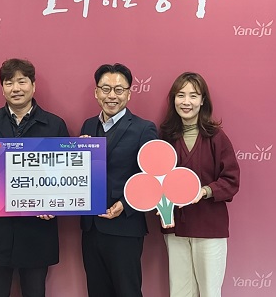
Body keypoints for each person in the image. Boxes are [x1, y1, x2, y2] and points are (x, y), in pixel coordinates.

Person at [0, 58, 69, 297]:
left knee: (35, 291)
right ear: (2, 88)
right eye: (9, 83)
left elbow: (66, 175)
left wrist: (54, 204)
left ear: (33, 86)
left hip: (37, 228)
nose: (16, 88)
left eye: (22, 82)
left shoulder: (54, 125)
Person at [79, 63, 158, 297]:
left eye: (119, 89)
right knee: (96, 291)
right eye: (105, 89)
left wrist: (125, 204)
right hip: (91, 228)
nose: (111, 95)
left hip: (125, 227)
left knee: (127, 292)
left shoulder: (144, 129)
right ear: (96, 92)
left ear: (129, 94)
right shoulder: (88, 125)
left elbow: (151, 179)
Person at [159, 72, 240, 297]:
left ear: (203, 100)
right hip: (176, 226)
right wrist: (160, 203)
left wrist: (205, 191)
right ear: (173, 99)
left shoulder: (216, 137)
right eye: (181, 95)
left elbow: (231, 179)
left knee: (209, 291)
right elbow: (156, 179)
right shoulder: (165, 137)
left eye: (193, 96)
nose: (186, 101)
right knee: (180, 291)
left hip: (209, 226)